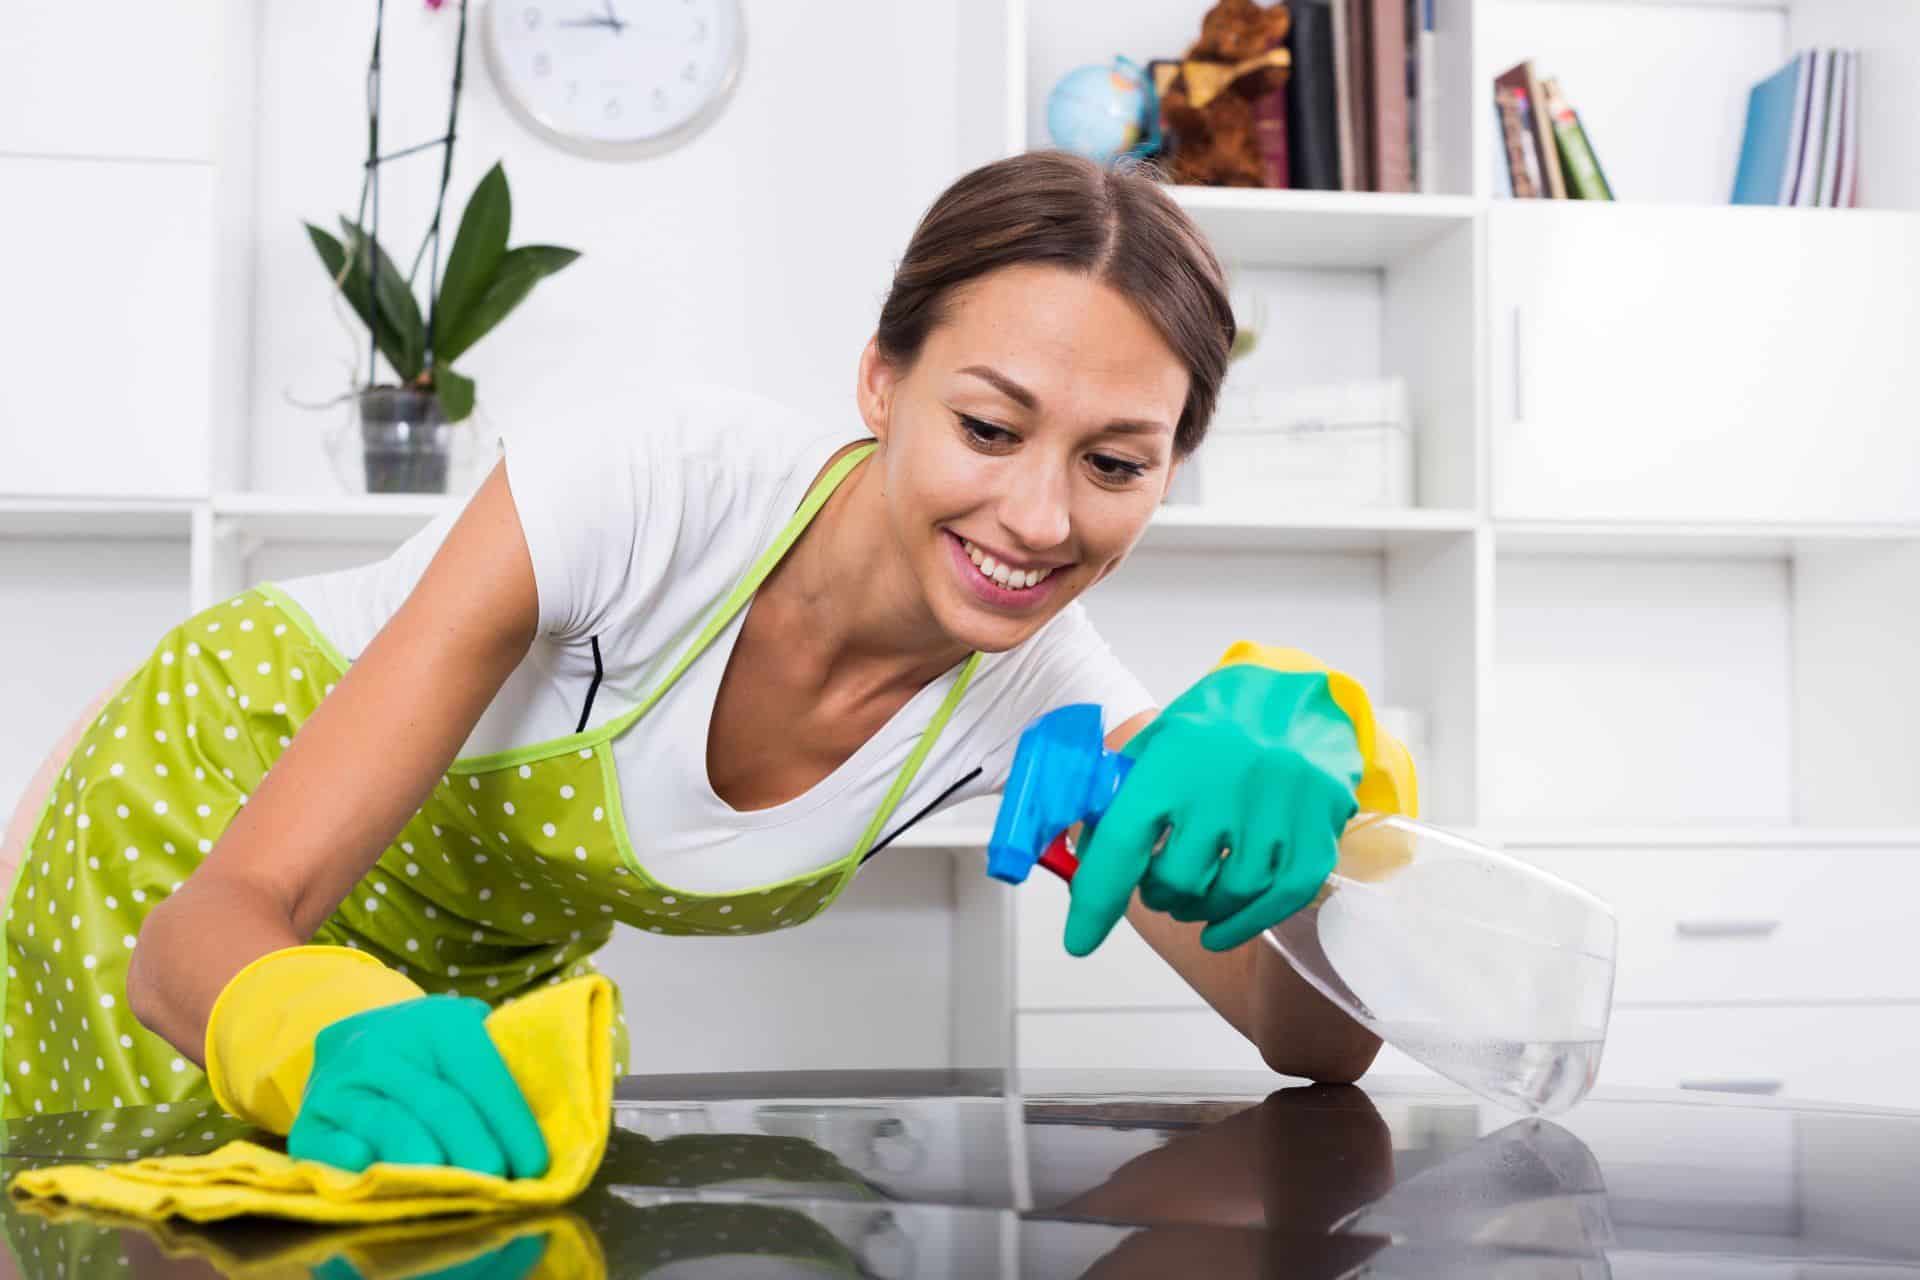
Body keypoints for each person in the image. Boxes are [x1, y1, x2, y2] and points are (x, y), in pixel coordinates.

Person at [0, 151, 1414, 1173]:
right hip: (211, 808)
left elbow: (1318, 1049)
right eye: (988, 428)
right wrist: (304, 1029)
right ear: (881, 382)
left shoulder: (1045, 710)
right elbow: (208, 928)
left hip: (456, 960)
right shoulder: (654, 487)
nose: (1039, 519)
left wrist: (1310, 829)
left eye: (1115, 463)